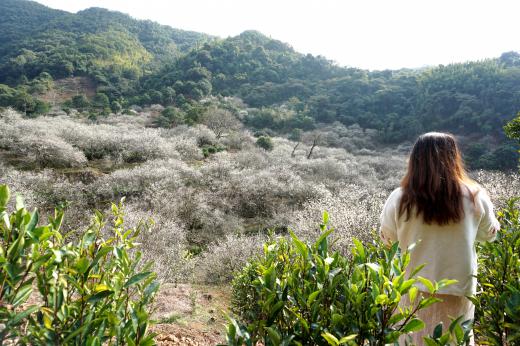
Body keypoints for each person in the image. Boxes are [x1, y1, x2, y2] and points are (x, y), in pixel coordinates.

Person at [379, 132, 499, 345]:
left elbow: (388, 240)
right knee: (455, 339)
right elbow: (489, 235)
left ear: (415, 160)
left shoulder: (399, 197)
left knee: (410, 339)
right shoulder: (475, 195)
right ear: (453, 158)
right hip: (458, 286)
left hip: (411, 287)